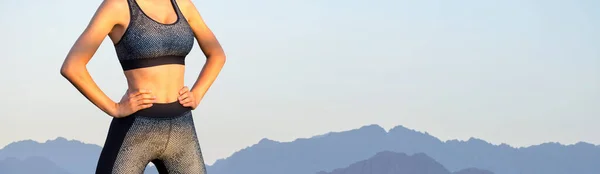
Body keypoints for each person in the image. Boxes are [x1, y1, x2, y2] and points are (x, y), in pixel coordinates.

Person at [59, 0, 226, 173]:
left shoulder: (183, 5)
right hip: (136, 127)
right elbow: (72, 66)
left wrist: (197, 93)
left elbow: (217, 54)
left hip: (182, 127)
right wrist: (114, 108)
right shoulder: (117, 5)